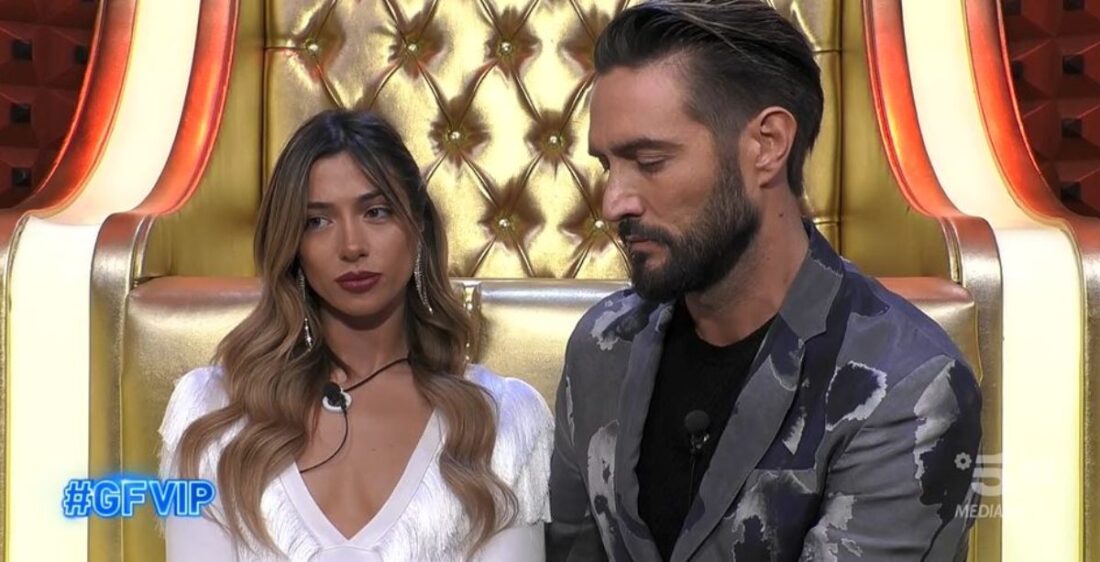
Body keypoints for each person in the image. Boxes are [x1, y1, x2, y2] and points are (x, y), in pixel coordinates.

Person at [547, 1, 982, 561]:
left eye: (650, 162)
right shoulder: (602, 345)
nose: (614, 203)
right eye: (609, 166)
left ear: (768, 145)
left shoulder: (904, 388)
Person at [158, 110, 553, 561]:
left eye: (376, 212)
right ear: (292, 246)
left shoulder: (501, 422)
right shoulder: (213, 414)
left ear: (418, 227)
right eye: (317, 221)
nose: (351, 246)